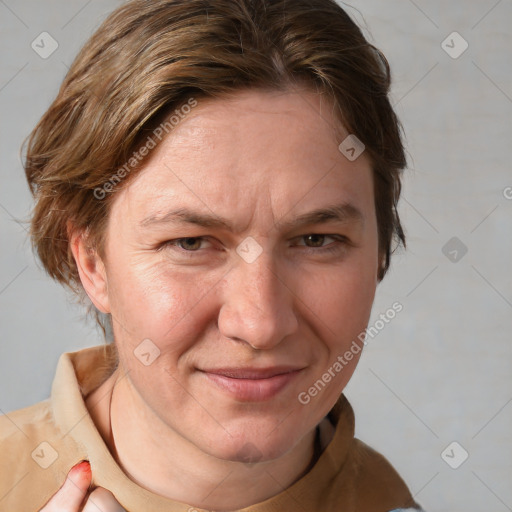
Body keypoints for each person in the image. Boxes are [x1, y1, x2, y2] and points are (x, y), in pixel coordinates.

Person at [0, 0, 424, 510]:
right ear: (92, 262)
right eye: (191, 243)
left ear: (378, 249)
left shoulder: (391, 499)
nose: (261, 324)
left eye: (316, 240)